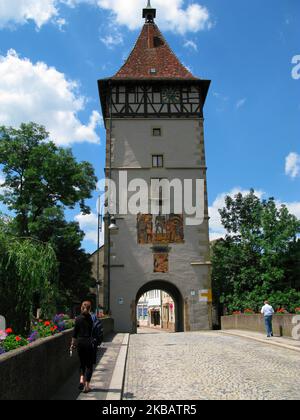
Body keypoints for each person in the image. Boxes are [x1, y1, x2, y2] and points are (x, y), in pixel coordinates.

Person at [71, 301, 95, 393]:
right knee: (89, 365)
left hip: (80, 342)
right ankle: (87, 386)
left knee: (82, 363)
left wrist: (72, 344)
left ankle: (81, 379)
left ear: (81, 308)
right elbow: (92, 331)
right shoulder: (91, 319)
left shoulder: (77, 319)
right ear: (90, 309)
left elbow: (74, 333)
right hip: (88, 342)